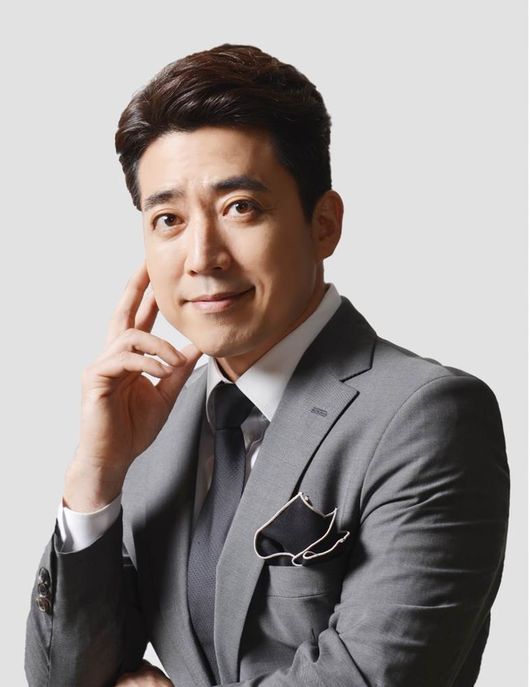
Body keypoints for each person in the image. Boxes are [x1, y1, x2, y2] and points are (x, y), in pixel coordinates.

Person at [24, 43, 510, 687]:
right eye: (168, 219)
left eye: (240, 208)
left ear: (324, 224)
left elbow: (370, 677)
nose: (202, 257)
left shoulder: (427, 415)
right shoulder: (153, 420)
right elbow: (63, 676)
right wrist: (96, 476)